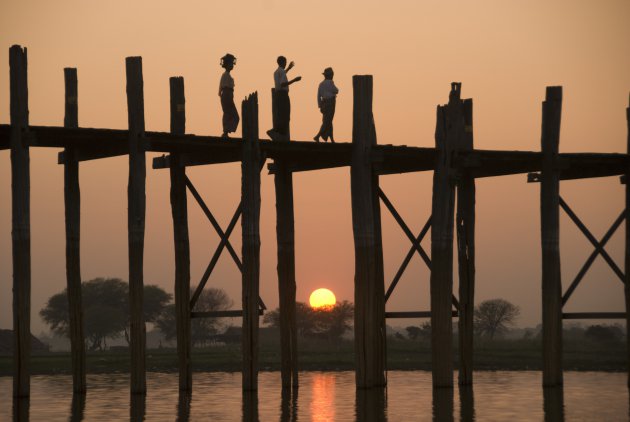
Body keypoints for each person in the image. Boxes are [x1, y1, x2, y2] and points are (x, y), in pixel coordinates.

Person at [267, 56, 301, 141]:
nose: (286, 64)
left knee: (280, 115)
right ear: (282, 62)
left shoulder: (276, 72)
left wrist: (289, 68)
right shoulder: (281, 72)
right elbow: (283, 84)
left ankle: (278, 133)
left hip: (278, 95)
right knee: (285, 116)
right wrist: (294, 80)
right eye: (285, 62)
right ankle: (276, 132)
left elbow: (282, 75)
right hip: (283, 95)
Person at [314, 67, 339, 143]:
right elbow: (336, 90)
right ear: (329, 75)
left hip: (324, 103)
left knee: (328, 121)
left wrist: (320, 106)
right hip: (330, 103)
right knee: (327, 122)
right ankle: (317, 136)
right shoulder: (330, 82)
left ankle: (331, 138)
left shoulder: (321, 84)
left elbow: (318, 96)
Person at [219, 53, 239, 138]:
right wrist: (228, 98)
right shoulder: (225, 75)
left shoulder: (226, 75)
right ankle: (225, 132)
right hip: (227, 95)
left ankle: (226, 131)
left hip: (227, 95)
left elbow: (219, 90)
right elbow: (223, 89)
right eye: (231, 64)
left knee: (231, 114)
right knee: (230, 114)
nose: (232, 65)